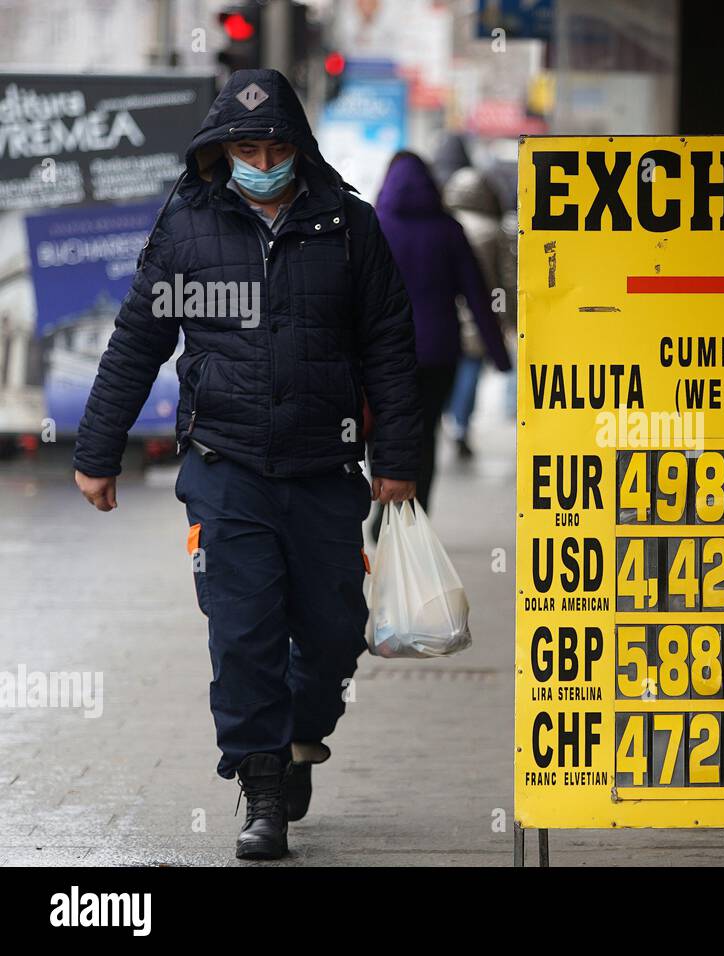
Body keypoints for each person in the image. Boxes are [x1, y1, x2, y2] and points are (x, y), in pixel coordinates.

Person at [71, 69, 422, 861]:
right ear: (219, 150)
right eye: (245, 146)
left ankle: (301, 733)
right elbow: (136, 343)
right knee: (243, 633)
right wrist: (97, 452)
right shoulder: (187, 228)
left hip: (325, 465)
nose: (261, 158)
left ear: (298, 147)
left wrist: (397, 458)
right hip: (225, 464)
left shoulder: (349, 227)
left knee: (335, 632)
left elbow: (391, 350)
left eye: (275, 145)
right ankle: (262, 786)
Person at [368, 151, 511, 541]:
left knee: (382, 430)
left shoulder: (375, 226)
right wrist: (499, 356)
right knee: (424, 434)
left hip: (380, 356)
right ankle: (415, 514)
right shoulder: (448, 230)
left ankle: (384, 506)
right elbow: (478, 297)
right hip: (437, 354)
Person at [441, 164, 513, 459]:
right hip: (480, 311)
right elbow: (504, 277)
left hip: (449, 312)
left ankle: (447, 416)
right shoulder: (493, 231)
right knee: (471, 367)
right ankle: (461, 423)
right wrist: (504, 312)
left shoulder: (446, 223)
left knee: (451, 369)